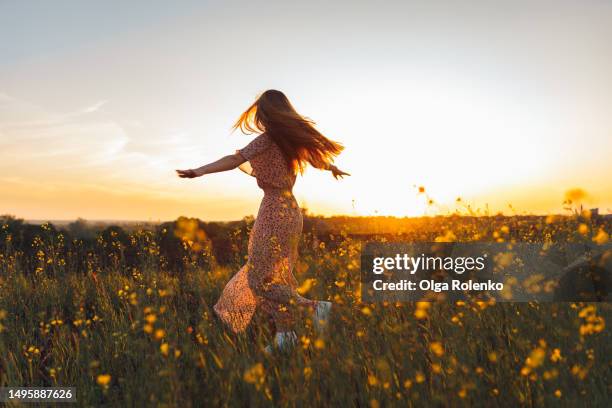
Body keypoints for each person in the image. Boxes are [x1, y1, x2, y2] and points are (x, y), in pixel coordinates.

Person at [177, 90, 349, 350]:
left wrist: (200, 171)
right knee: (274, 275)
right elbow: (317, 160)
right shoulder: (290, 141)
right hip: (290, 209)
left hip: (274, 209)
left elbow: (235, 159)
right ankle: (286, 337)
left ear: (266, 113)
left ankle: (315, 308)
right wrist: (332, 168)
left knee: (260, 278)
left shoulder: (268, 140)